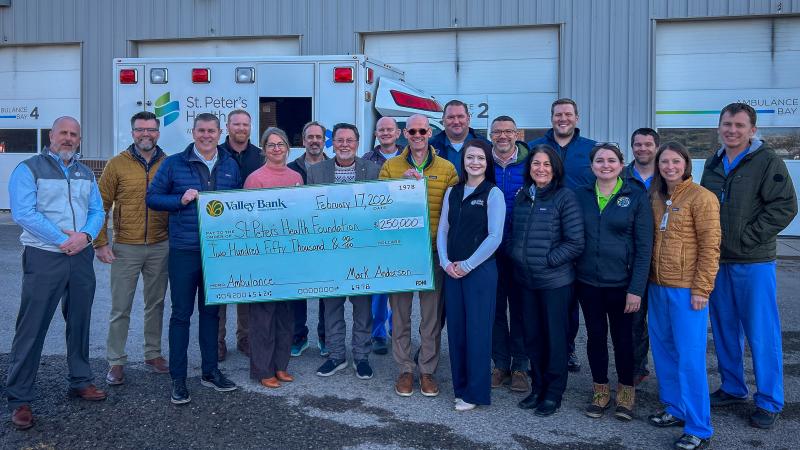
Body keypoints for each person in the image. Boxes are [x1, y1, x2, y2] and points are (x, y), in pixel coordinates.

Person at [700, 102, 797, 430]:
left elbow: (785, 206)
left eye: (739, 125)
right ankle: (732, 387)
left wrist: (748, 237)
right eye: (727, 124)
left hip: (753, 261)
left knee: (761, 331)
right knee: (724, 328)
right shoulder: (713, 163)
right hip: (718, 260)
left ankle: (769, 400)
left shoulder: (767, 161)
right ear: (719, 127)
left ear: (752, 130)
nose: (732, 130)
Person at [6, 116, 107, 430]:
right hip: (44, 256)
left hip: (80, 256)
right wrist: (63, 240)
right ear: (51, 136)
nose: (68, 138)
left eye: (74, 134)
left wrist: (85, 236)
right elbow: (24, 212)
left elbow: (97, 211)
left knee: (80, 321)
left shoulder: (85, 173)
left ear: (79, 139)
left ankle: (80, 380)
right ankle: (20, 397)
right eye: (63, 132)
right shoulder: (28, 169)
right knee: (32, 325)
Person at [146, 113, 241, 405]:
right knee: (181, 315)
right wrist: (180, 200)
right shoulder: (174, 163)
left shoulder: (230, 164)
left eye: (211, 131)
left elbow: (238, 204)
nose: (206, 136)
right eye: (201, 130)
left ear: (220, 133)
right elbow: (152, 198)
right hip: (184, 250)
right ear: (193, 131)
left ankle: (210, 371)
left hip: (216, 252)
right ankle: (178, 378)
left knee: (211, 314)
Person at [647, 142, 720, 450]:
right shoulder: (654, 197)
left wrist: (702, 288)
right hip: (657, 286)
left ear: (686, 164)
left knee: (690, 358)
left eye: (675, 161)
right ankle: (675, 408)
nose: (670, 167)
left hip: (687, 290)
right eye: (664, 162)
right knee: (664, 353)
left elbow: (710, 247)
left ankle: (699, 427)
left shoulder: (702, 198)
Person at [379, 114, 458, 397]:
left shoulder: (447, 168)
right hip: (400, 253)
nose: (417, 135)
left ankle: (426, 370)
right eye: (412, 131)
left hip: (433, 253)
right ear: (404, 134)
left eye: (422, 131)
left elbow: (455, 211)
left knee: (431, 318)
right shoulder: (391, 166)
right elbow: (378, 207)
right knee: (400, 316)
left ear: (429, 133)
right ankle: (404, 369)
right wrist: (398, 187)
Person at [574, 143, 653, 421]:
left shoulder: (635, 196)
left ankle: (626, 392)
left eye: (611, 160)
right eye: (599, 160)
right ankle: (600, 390)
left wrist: (636, 289)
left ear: (621, 165)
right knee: (595, 337)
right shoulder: (581, 195)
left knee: (624, 340)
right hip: (588, 283)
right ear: (592, 166)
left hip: (623, 285)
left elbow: (644, 248)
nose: (605, 165)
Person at [96, 111, 170, 386]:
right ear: (132, 133)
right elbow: (100, 206)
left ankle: (153, 354)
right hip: (126, 246)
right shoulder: (116, 164)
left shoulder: (169, 163)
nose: (145, 134)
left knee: (156, 304)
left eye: (150, 129)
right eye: (140, 129)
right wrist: (100, 242)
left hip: (160, 245)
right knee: (120, 307)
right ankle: (116, 361)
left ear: (158, 133)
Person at [510, 144, 584, 417]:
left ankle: (553, 393)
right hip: (526, 280)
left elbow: (575, 242)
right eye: (535, 164)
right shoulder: (523, 196)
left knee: (554, 339)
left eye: (546, 164)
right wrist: (515, 253)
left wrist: (548, 260)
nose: (540, 169)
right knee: (533, 337)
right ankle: (538, 387)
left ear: (555, 169)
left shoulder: (565, 197)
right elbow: (515, 233)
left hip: (555, 282)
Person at [529, 98, 597, 372]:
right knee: (543, 300)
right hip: (543, 234)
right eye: (558, 114)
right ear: (551, 117)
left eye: (568, 114)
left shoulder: (591, 149)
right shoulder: (535, 147)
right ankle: (540, 349)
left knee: (571, 299)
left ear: (577, 118)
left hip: (578, 234)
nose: (563, 119)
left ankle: (567, 347)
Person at [308, 123, 380, 379]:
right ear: (333, 143)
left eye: (350, 140)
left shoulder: (373, 170)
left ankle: (361, 357)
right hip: (330, 252)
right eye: (340, 140)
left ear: (357, 143)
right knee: (332, 308)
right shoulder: (316, 171)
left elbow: (381, 208)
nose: (345, 145)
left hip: (362, 252)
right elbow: (310, 210)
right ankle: (336, 355)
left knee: (363, 308)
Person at [437, 139, 505, 411]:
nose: (475, 162)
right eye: (470, 157)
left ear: (488, 163)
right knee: (456, 331)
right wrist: (445, 262)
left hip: (479, 272)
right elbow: (443, 229)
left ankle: (475, 393)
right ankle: (461, 388)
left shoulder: (493, 193)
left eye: (480, 158)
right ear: (463, 161)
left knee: (477, 331)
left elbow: (495, 237)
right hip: (452, 271)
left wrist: (467, 265)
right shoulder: (452, 192)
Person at [244, 127, 303, 389]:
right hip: (263, 256)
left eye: (281, 144)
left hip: (289, 256)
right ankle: (263, 369)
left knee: (285, 315)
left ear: (288, 148)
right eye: (271, 145)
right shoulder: (255, 179)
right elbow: (248, 219)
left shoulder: (296, 177)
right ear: (264, 149)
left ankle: (281, 365)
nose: (276, 149)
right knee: (263, 316)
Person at [217, 109, 264, 361]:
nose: (241, 128)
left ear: (250, 127)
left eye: (245, 124)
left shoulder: (260, 155)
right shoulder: (216, 154)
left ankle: (245, 338)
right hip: (221, 230)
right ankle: (218, 341)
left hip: (251, 232)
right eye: (236, 124)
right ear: (228, 127)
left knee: (247, 287)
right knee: (222, 287)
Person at [488, 115, 530, 393]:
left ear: (517, 134)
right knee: (494, 309)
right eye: (497, 132)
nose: (503, 136)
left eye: (508, 131)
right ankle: (500, 364)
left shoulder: (530, 162)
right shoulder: (482, 162)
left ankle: (520, 367)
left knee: (521, 309)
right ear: (490, 135)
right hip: (490, 250)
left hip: (521, 248)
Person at [361, 116, 404, 355]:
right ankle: (377, 333)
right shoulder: (366, 160)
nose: (386, 133)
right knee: (378, 287)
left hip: (403, 229)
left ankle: (397, 330)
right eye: (381, 130)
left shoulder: (409, 157)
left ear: (398, 133)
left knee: (399, 285)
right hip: (375, 230)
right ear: (376, 134)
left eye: (390, 129)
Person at [287, 121, 329, 357]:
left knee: (327, 289)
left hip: (326, 237)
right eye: (310, 137)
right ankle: (298, 336)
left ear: (324, 140)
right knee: (298, 288)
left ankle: (325, 337)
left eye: (318, 137)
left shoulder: (334, 167)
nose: (314, 141)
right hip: (299, 237)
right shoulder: (291, 168)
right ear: (303, 141)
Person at [625, 127, 660, 386]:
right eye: (638, 144)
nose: (643, 149)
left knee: (662, 320)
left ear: (656, 147)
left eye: (648, 144)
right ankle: (637, 367)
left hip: (664, 258)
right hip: (632, 259)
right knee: (634, 319)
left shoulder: (668, 175)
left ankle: (670, 371)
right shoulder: (622, 176)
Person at [429, 99, 491, 177]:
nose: (456, 122)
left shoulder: (486, 146)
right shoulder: (430, 146)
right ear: (443, 120)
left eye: (460, 117)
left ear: (468, 118)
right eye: (451, 117)